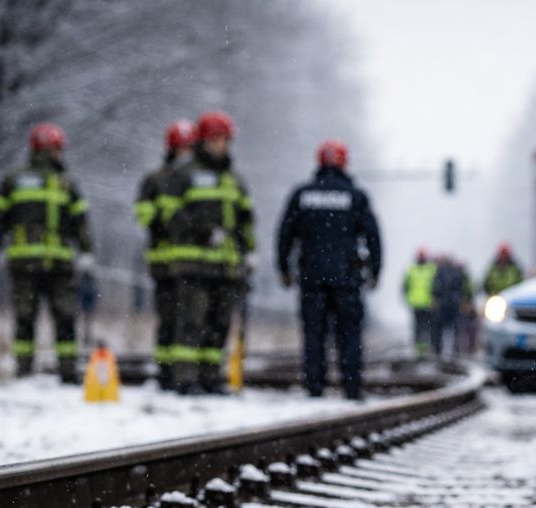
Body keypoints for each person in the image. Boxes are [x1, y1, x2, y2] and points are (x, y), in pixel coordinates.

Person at [277, 140, 382, 401]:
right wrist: (375, 271)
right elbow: (373, 237)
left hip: (312, 278)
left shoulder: (302, 194)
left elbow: (285, 235)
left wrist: (284, 269)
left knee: (314, 334)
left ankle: (314, 387)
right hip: (347, 278)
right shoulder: (356, 196)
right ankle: (351, 387)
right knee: (349, 334)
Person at [159, 111, 255, 394]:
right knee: (192, 321)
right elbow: (168, 213)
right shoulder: (184, 174)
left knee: (219, 323)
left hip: (226, 266)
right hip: (193, 264)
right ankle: (186, 379)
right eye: (216, 139)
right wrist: (200, 230)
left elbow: (245, 219)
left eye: (225, 139)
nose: (221, 145)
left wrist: (249, 251)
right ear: (203, 140)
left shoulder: (233, 179)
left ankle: (211, 378)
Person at [0, 122, 92, 383]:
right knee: (65, 317)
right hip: (59, 262)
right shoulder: (65, 183)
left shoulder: (13, 180)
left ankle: (24, 370)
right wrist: (85, 251)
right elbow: (80, 221)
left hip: (24, 261)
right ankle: (68, 371)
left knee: (25, 317)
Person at [136, 118, 196, 390]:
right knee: (168, 318)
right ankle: (165, 373)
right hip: (163, 262)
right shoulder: (155, 180)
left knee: (190, 318)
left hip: (191, 262)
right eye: (180, 146)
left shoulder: (194, 179)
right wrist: (166, 220)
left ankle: (184, 373)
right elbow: (144, 214)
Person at [403, 250, 437, 358]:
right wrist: (408, 299)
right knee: (418, 327)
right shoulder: (411, 270)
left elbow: (437, 286)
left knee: (427, 327)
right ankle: (419, 350)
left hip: (428, 304)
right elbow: (405, 286)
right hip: (416, 304)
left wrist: (435, 299)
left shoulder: (431, 270)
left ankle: (426, 348)